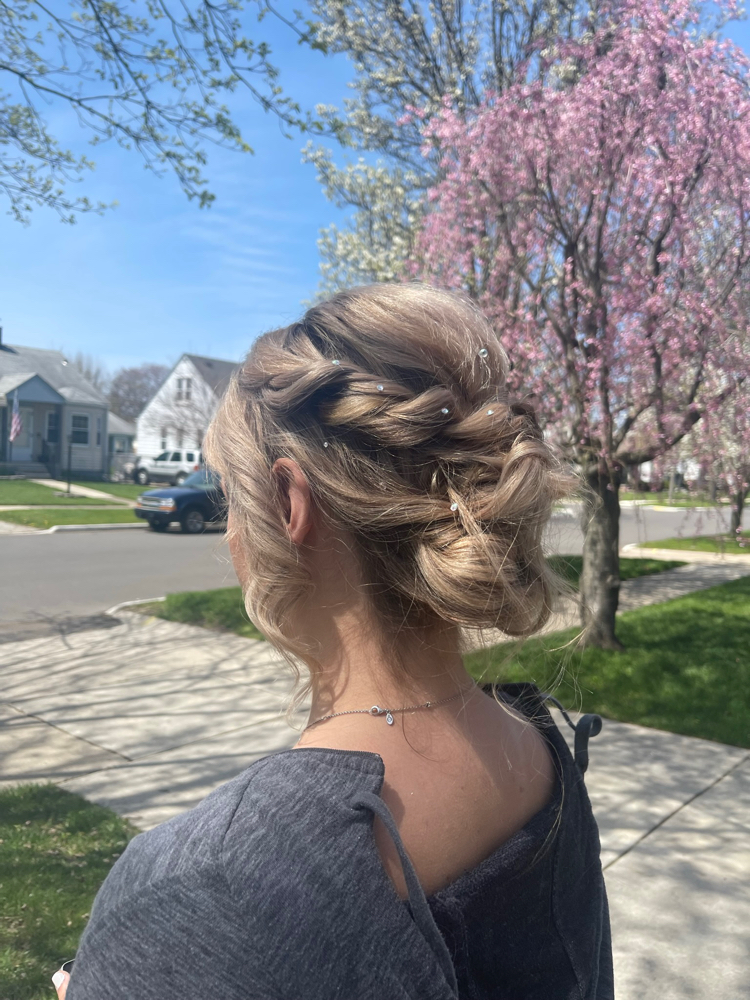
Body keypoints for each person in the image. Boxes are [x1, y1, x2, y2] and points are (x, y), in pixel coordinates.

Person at [55, 283, 613, 999]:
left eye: (233, 494)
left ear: (291, 506)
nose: (231, 532)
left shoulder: (204, 886)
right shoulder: (542, 753)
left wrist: (138, 969)